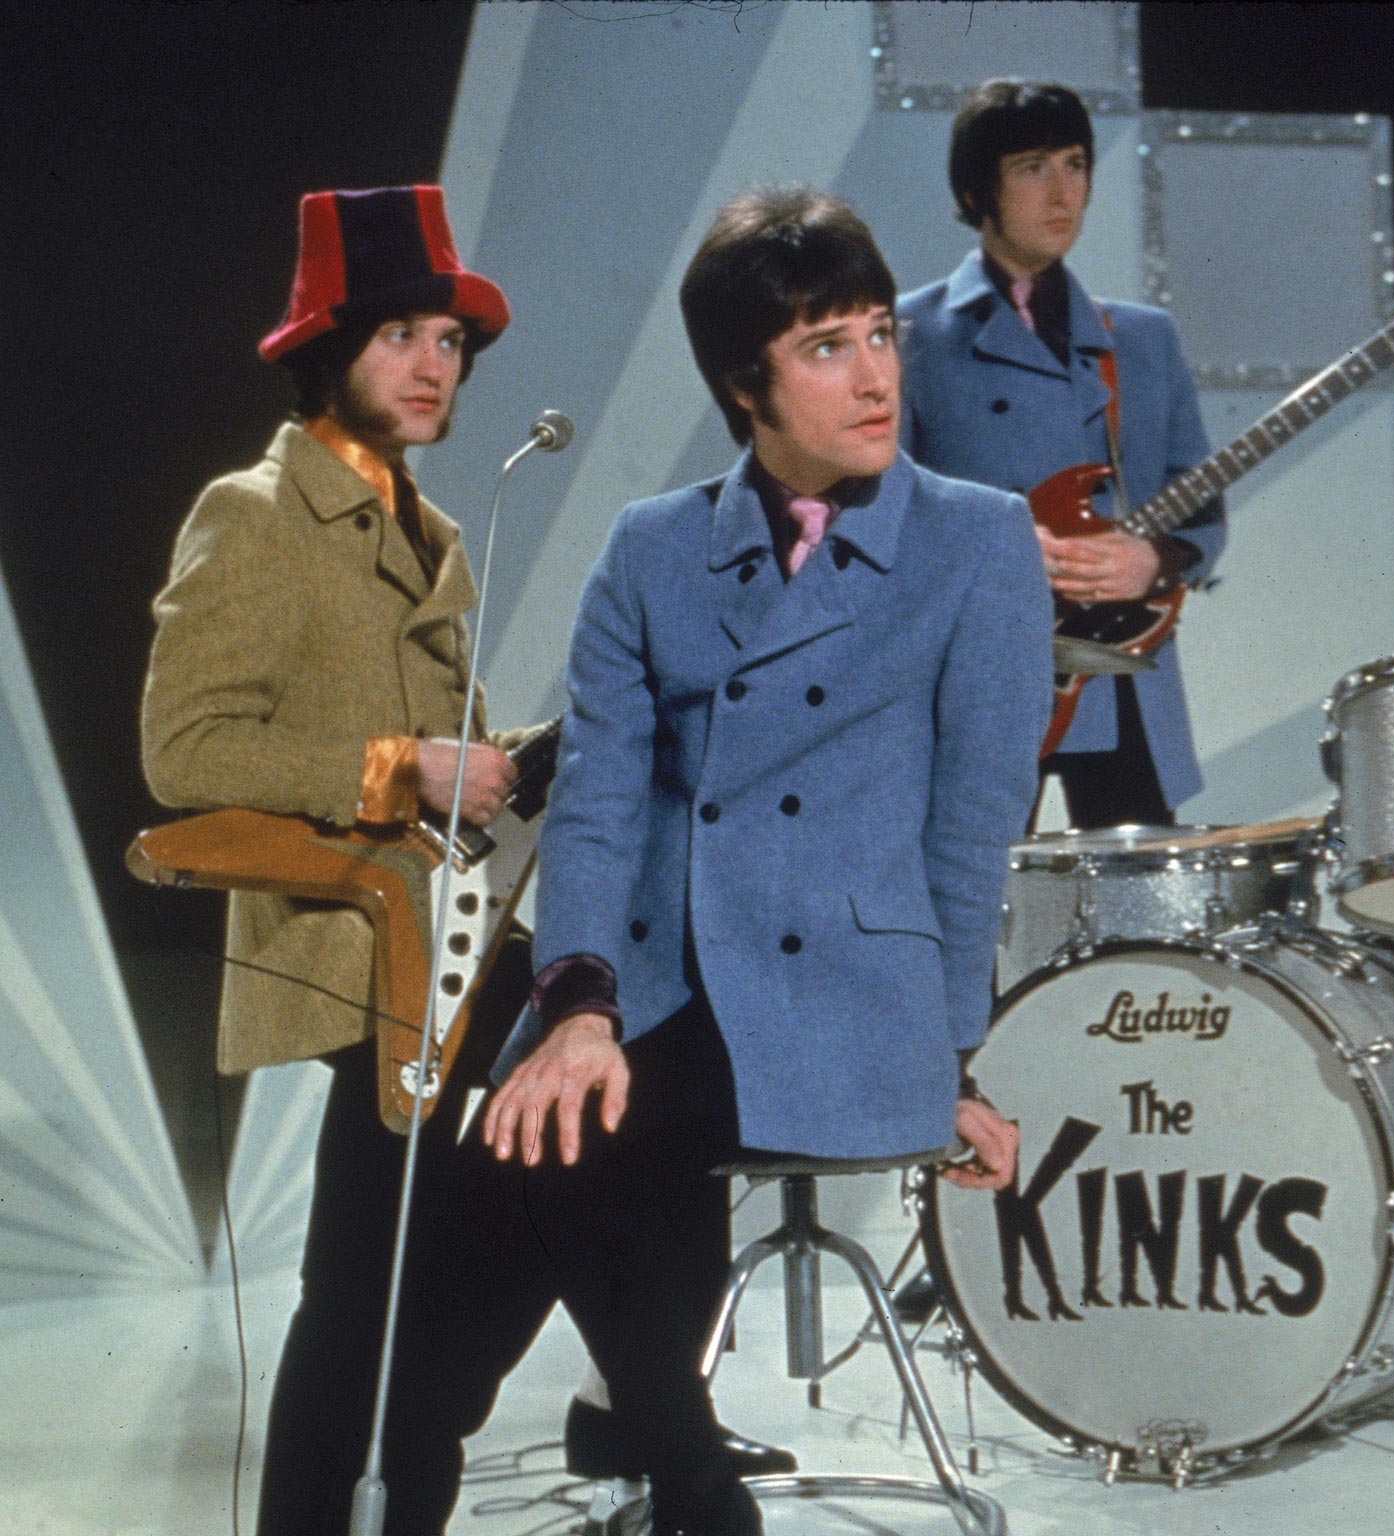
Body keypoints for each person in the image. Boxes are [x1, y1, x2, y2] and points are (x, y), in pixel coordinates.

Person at [479, 187, 1047, 1536]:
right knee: (527, 1124)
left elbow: (974, 832)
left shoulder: (975, 542)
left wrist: (957, 1054)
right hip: (666, 969)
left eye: (877, 335)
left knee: (616, 1134)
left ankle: (673, 1467)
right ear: (746, 387)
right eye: (825, 349)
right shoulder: (649, 548)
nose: (875, 376)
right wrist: (578, 1004)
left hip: (856, 987)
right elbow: (602, 808)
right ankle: (670, 1458)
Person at [139, 185, 538, 1533]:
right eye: (401, 338)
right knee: (372, 1289)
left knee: (422, 1281)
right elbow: (185, 751)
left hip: (455, 938)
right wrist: (399, 768)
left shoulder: (428, 525)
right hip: (350, 948)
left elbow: (469, 752)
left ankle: (403, 1486)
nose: (435, 367)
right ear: (331, 350)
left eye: (449, 341)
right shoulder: (253, 513)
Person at [897, 78, 1223, 829]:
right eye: (1032, 167)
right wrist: (995, 550)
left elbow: (1200, 503)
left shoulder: (1142, 337)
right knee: (965, 909)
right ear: (979, 188)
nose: (1062, 191)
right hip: (985, 673)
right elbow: (885, 511)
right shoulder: (908, 335)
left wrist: (1154, 562)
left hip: (1124, 675)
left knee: (1144, 917)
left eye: (1076, 164)